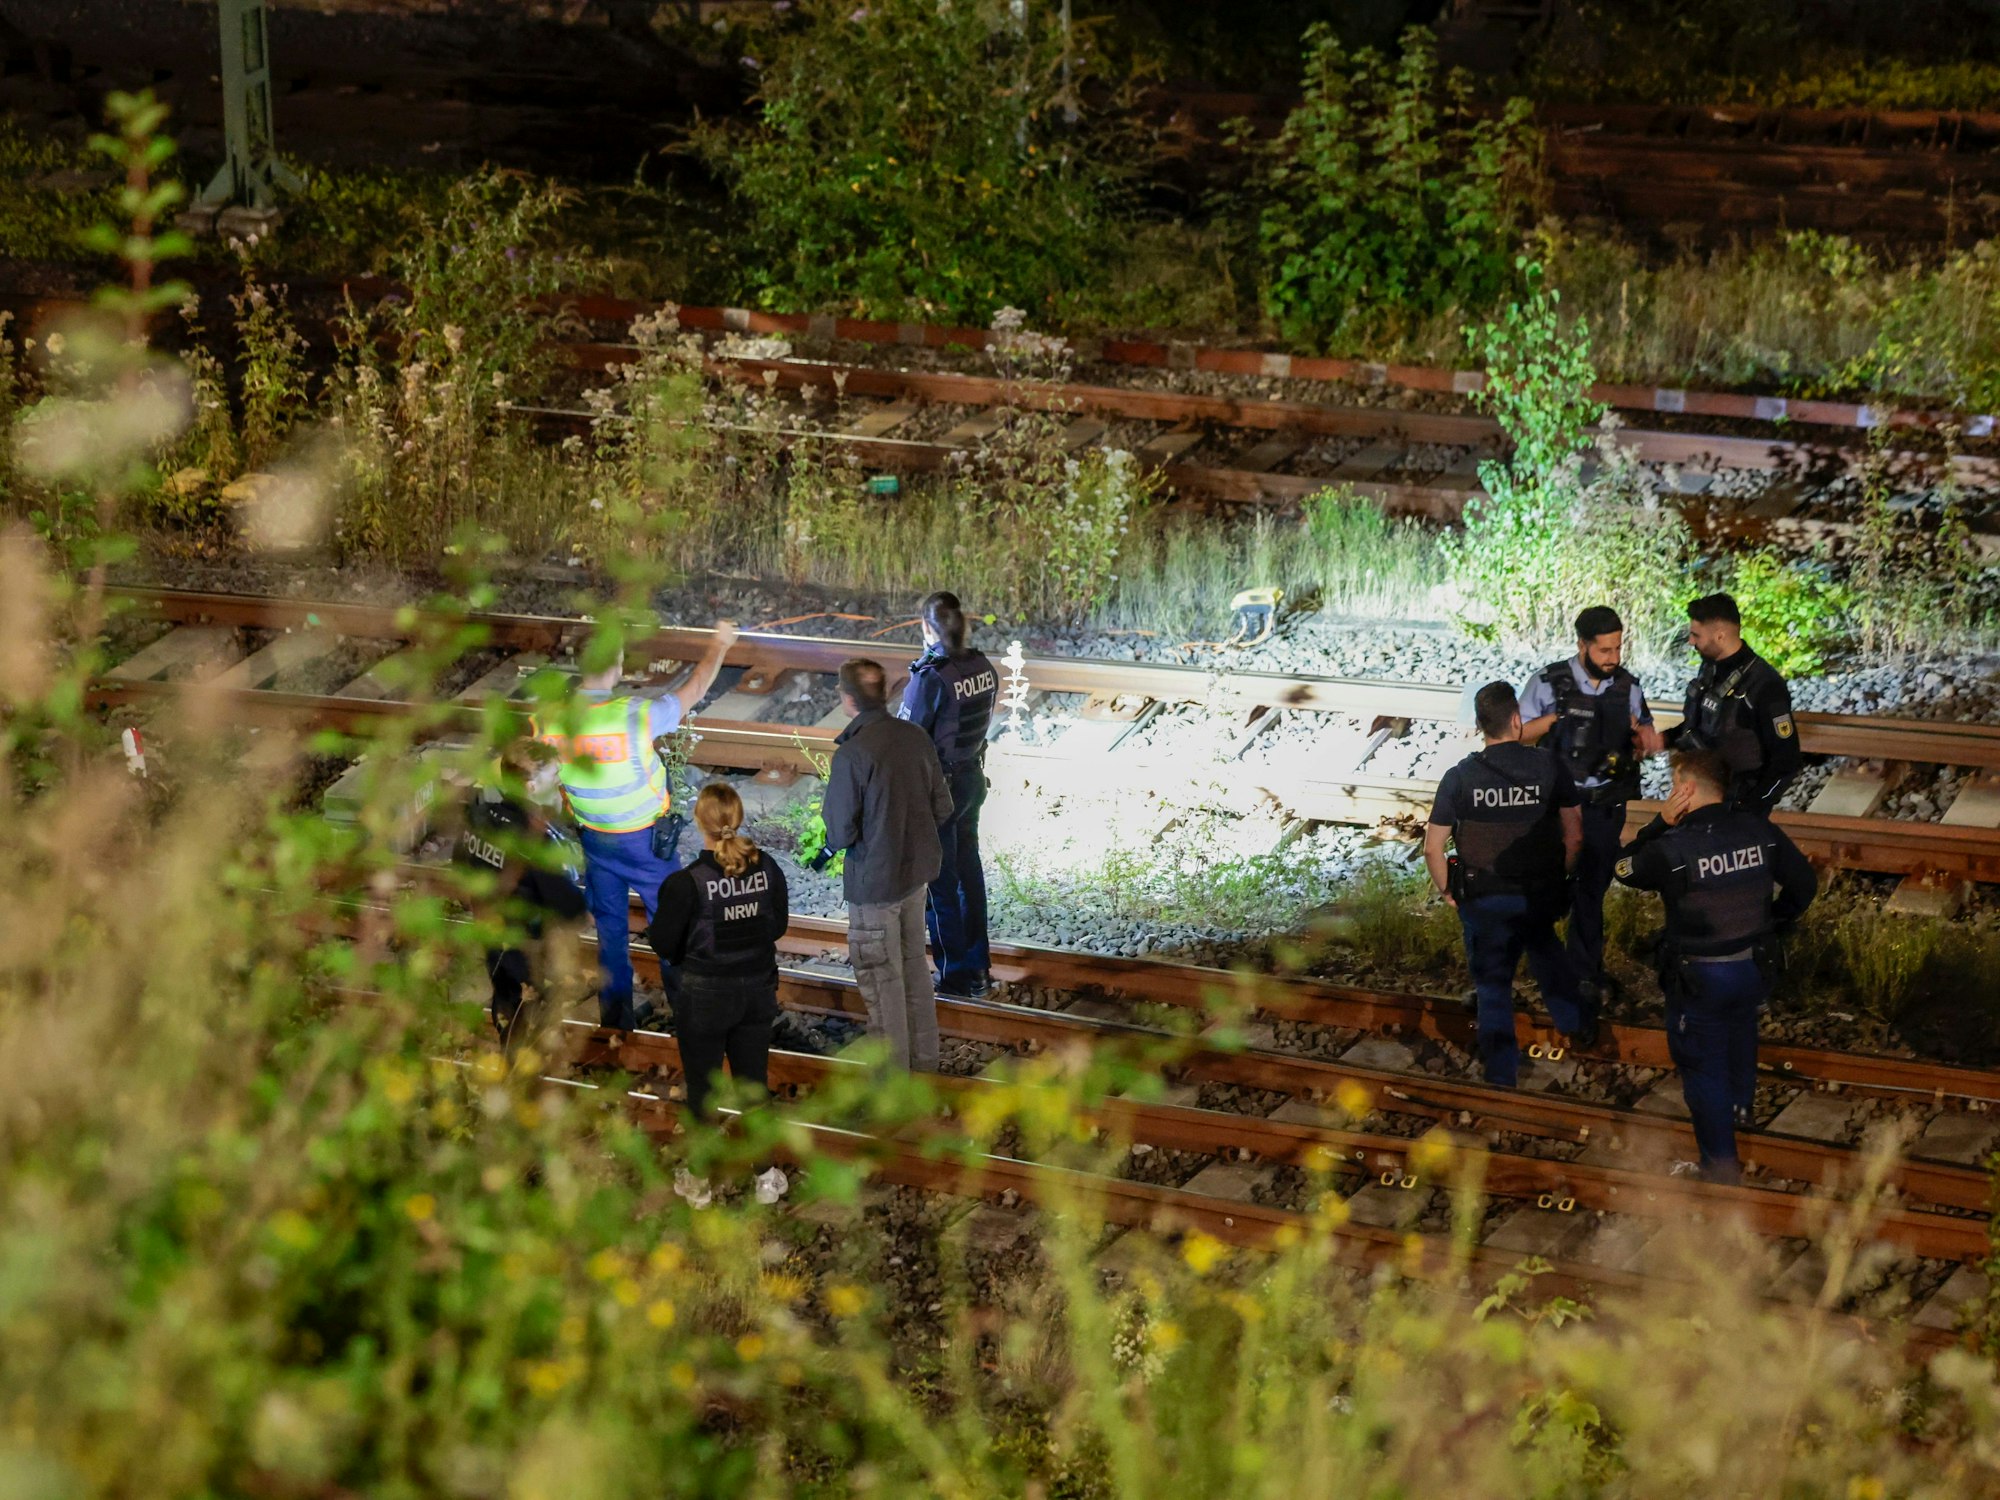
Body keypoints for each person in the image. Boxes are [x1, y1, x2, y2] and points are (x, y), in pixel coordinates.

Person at [1613, 748, 1817, 1182]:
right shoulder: (1759, 829)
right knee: (1741, 1033)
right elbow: (1804, 883)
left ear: (1685, 789)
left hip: (1700, 976)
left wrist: (1657, 823)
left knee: (1702, 1070)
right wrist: (1773, 923)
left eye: (1673, 786)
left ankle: (1719, 1170)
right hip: (1753, 969)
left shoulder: (1675, 847)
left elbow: (1624, 868)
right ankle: (1740, 1111)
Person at [534, 621, 737, 1030]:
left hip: (595, 842)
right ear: (618, 665)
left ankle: (617, 1022)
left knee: (611, 937)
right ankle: (689, 1018)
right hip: (646, 846)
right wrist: (719, 645)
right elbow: (694, 690)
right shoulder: (632, 715)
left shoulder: (549, 721)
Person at [1424, 681, 1589, 1085]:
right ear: (1517, 720)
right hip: (1537, 893)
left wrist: (1448, 889)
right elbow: (1575, 835)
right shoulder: (1550, 766)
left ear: (1481, 725)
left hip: (1484, 897)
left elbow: (1433, 847)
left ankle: (1502, 1075)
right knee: (1547, 950)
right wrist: (1562, 876)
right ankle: (1576, 1025)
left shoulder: (1459, 777)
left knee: (1493, 985)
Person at [648, 782, 791, 1207]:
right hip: (756, 993)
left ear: (700, 823)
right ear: (739, 818)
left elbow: (664, 945)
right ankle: (766, 1177)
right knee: (753, 1085)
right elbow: (777, 926)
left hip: (704, 999)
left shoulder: (686, 883)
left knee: (703, 1091)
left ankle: (699, 1182)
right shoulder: (768, 868)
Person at [1519, 605, 1666, 1006]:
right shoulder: (1548, 683)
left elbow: (1642, 735)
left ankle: (1583, 972)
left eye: (1618, 648)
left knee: (1592, 889)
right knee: (1548, 885)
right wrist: (1556, 720)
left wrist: (1645, 743)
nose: (1613, 658)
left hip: (1603, 805)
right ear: (1582, 645)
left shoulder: (1629, 687)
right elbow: (1519, 735)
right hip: (1555, 806)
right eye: (1604, 650)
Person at [815, 658, 953, 1071]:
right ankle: (925, 1064)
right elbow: (942, 807)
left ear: (847, 698)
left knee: (882, 981)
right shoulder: (915, 737)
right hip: (916, 879)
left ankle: (894, 1088)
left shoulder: (853, 755)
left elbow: (839, 832)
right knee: (913, 968)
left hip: (874, 886)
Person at [452, 742, 589, 1051]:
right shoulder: (533, 843)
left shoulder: (481, 812)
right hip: (530, 942)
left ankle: (512, 1065)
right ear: (530, 787)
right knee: (532, 1015)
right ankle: (523, 1079)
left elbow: (460, 861)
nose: (558, 783)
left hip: (493, 934)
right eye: (553, 777)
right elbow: (569, 904)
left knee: (506, 1002)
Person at [898, 590, 999, 998]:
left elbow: (907, 740)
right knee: (969, 875)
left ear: (926, 628)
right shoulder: (983, 666)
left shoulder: (930, 676)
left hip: (940, 791)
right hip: (973, 779)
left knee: (940, 885)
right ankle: (978, 965)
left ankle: (955, 976)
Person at [1666, 592, 1803, 815]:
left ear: (1720, 636)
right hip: (1699, 800)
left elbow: (1786, 759)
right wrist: (1662, 739)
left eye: (1695, 635)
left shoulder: (1765, 686)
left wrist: (1754, 807)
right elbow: (1698, 729)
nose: (1690, 642)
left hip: (1738, 805)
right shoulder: (1710, 668)